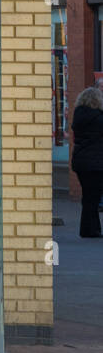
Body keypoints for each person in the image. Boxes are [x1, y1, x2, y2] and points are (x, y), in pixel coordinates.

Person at [71, 86, 103, 239]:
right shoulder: (99, 117)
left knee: (88, 196)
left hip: (80, 162)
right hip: (95, 162)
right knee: (93, 197)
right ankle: (91, 230)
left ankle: (89, 229)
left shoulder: (78, 115)